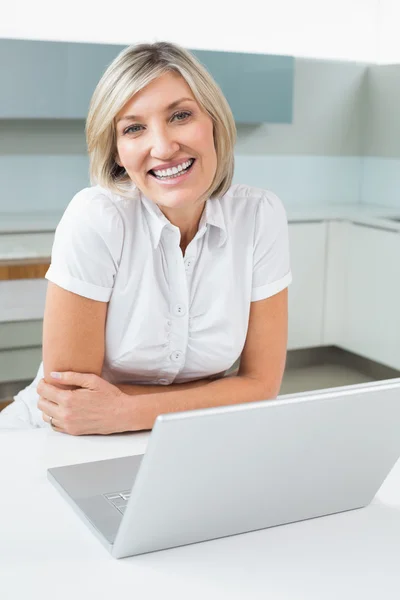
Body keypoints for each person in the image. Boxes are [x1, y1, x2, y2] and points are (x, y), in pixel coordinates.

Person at [0, 41, 292, 434]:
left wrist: (124, 410)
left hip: (175, 440)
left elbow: (261, 386)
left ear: (214, 122)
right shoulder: (97, 217)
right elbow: (73, 405)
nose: (163, 147)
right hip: (50, 438)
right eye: (134, 128)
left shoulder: (260, 216)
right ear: (118, 151)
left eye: (181, 115)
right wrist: (214, 392)